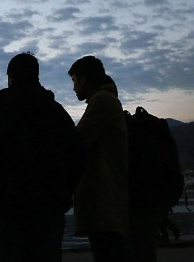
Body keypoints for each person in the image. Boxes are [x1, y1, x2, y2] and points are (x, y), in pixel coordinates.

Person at [0, 53, 83, 262]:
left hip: (10, 207)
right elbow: (77, 155)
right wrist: (64, 191)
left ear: (10, 77)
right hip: (50, 208)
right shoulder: (56, 112)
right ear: (37, 76)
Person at [68, 56, 128, 262]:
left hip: (104, 202)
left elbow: (77, 140)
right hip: (106, 201)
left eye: (74, 81)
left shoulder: (103, 101)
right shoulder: (104, 100)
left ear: (84, 79)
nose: (74, 88)